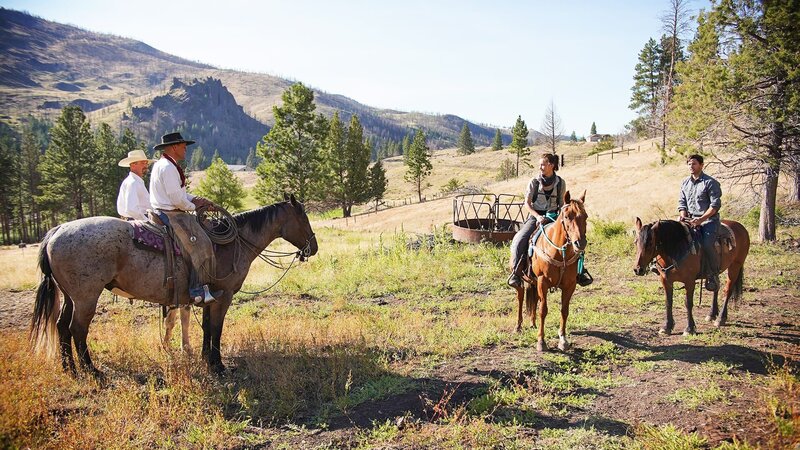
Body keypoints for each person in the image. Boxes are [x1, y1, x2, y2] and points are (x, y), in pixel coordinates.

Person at [149, 132, 221, 305]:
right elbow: (176, 199)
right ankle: (196, 291)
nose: (185, 149)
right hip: (170, 213)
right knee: (200, 243)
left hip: (166, 210)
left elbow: (179, 194)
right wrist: (195, 206)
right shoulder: (167, 168)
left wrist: (195, 198)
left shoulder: (165, 165)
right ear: (174, 147)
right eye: (183, 146)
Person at [508, 153, 593, 288]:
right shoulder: (534, 182)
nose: (540, 167)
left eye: (542, 164)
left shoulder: (560, 183)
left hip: (554, 216)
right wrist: (537, 216)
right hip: (536, 216)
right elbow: (527, 204)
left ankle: (580, 271)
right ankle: (516, 273)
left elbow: (561, 204)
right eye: (540, 164)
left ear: (551, 165)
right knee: (519, 239)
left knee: (577, 238)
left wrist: (561, 218)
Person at [678, 154, 722, 291]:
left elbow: (715, 205)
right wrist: (683, 215)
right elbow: (682, 202)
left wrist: (701, 219)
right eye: (689, 164)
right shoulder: (685, 183)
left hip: (708, 221)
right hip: (689, 220)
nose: (691, 166)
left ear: (702, 165)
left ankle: (713, 274)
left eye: (694, 164)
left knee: (707, 244)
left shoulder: (710, 182)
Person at [116, 149, 154, 221]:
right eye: (143, 163)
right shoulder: (133, 182)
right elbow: (131, 209)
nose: (146, 166)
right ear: (133, 164)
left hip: (138, 219)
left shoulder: (135, 181)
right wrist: (146, 221)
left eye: (146, 163)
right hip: (136, 221)